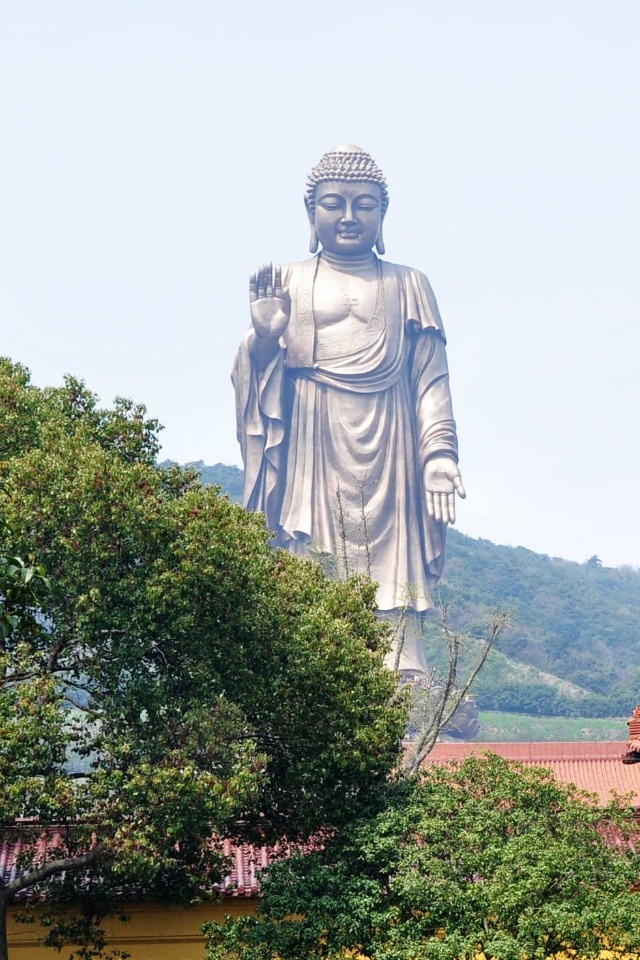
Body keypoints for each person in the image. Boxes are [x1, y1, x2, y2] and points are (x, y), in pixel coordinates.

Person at [233, 145, 465, 672]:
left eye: (364, 205)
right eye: (334, 203)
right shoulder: (288, 281)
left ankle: (402, 663)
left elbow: (432, 377)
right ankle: (309, 661)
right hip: (313, 441)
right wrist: (265, 341)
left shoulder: (409, 284)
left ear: (383, 215)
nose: (348, 217)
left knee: (393, 561)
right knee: (311, 550)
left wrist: (439, 454)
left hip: (393, 441)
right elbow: (254, 375)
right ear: (311, 213)